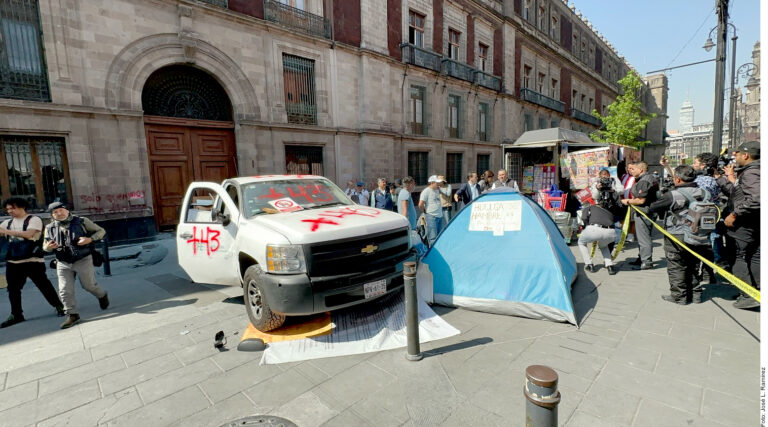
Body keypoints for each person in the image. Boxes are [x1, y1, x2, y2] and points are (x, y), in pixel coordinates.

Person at [647, 165, 712, 304]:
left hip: (677, 234)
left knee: (676, 265)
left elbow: (653, 207)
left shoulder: (673, 195)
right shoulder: (705, 193)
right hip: (698, 233)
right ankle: (696, 295)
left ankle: (679, 297)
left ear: (677, 178)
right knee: (694, 264)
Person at [43, 202, 110, 329]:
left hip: (83, 259)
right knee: (64, 290)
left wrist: (89, 239)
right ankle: (72, 314)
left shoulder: (82, 221)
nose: (59, 213)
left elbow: (101, 231)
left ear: (67, 210)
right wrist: (48, 247)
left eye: (61, 210)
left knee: (88, 285)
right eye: (55, 212)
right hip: (63, 262)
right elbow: (45, 246)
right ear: (52, 215)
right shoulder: (49, 228)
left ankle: (102, 295)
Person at [0, 198, 64, 328]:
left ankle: (59, 306)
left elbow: (29, 234)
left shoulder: (34, 219)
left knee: (43, 284)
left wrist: (6, 232)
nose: (9, 211)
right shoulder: (6, 222)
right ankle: (16, 314)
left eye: (12, 208)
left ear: (22, 207)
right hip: (13, 261)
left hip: (32, 260)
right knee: (13, 289)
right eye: (7, 209)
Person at [718, 141, 760, 309]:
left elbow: (756, 199)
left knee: (737, 256)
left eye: (737, 154)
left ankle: (748, 294)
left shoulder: (751, 173)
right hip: (753, 222)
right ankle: (756, 291)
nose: (734, 157)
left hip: (744, 224)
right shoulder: (756, 170)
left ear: (746, 155)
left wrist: (735, 214)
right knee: (754, 255)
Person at [621, 161, 659, 270]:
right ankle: (641, 258)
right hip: (645, 212)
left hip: (644, 212)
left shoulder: (644, 181)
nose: (630, 171)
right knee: (642, 237)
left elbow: (641, 200)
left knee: (644, 238)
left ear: (640, 170)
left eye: (632, 169)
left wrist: (627, 201)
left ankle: (646, 262)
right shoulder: (647, 178)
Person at [577, 182, 622, 275]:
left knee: (581, 242)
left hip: (594, 229)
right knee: (603, 246)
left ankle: (589, 264)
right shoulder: (608, 211)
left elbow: (584, 219)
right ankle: (609, 266)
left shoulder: (589, 207)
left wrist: (587, 228)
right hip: (611, 232)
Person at [418, 175, 443, 246]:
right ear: (432, 182)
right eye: (436, 182)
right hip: (431, 217)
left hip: (439, 216)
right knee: (432, 238)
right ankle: (433, 253)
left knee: (439, 237)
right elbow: (420, 204)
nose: (438, 184)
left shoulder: (437, 190)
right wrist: (425, 212)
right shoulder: (426, 191)